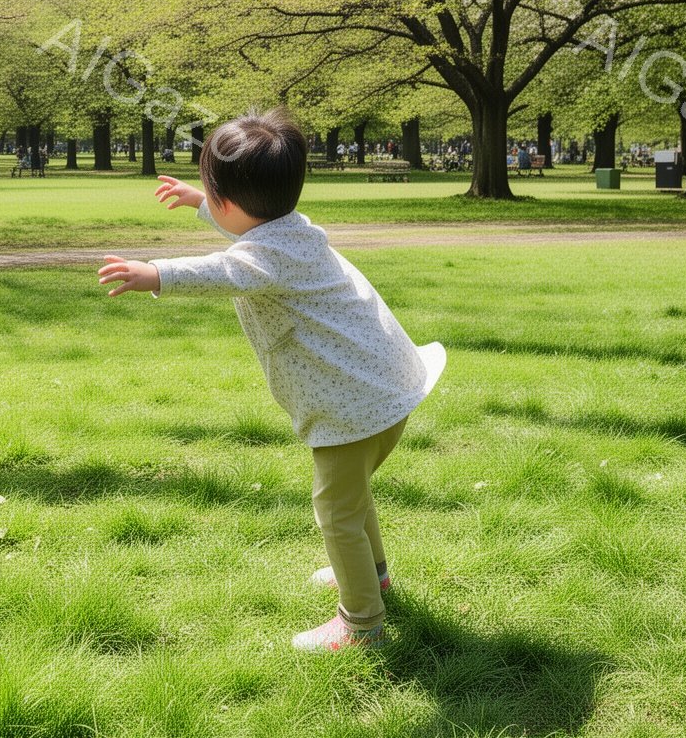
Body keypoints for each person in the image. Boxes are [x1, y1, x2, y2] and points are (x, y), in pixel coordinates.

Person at [98, 110, 445, 653]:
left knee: (336, 512)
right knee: (351, 503)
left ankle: (362, 624)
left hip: (351, 409)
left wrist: (156, 273)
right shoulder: (294, 230)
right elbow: (254, 232)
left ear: (229, 202)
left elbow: (225, 269)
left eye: (211, 193)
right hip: (386, 392)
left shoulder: (264, 258)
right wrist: (200, 202)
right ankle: (370, 574)